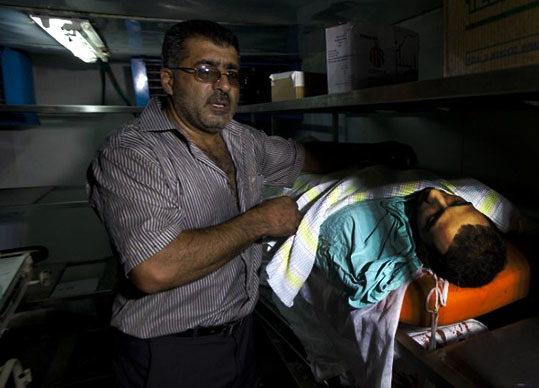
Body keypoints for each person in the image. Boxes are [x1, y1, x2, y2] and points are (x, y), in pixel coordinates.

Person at [86, 20, 416, 388]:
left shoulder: (240, 140)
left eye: (231, 73)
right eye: (205, 70)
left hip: (240, 335)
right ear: (168, 80)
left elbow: (305, 156)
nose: (223, 84)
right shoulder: (132, 154)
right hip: (169, 351)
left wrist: (377, 152)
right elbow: (154, 269)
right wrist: (257, 223)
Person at [314, 187, 506, 308]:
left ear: (423, 252)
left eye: (432, 218)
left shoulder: (351, 231)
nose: (434, 194)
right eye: (458, 202)